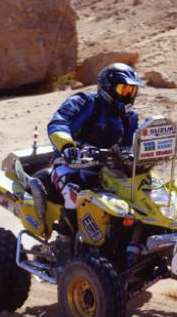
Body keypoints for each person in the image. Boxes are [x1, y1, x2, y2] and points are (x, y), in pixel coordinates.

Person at [47, 63, 143, 242]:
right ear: (108, 89)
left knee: (139, 195)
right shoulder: (84, 102)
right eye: (124, 89)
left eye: (132, 90)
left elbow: (129, 144)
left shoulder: (130, 117)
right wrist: (68, 147)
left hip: (108, 168)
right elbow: (58, 123)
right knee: (73, 193)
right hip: (69, 164)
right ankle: (64, 244)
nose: (129, 95)